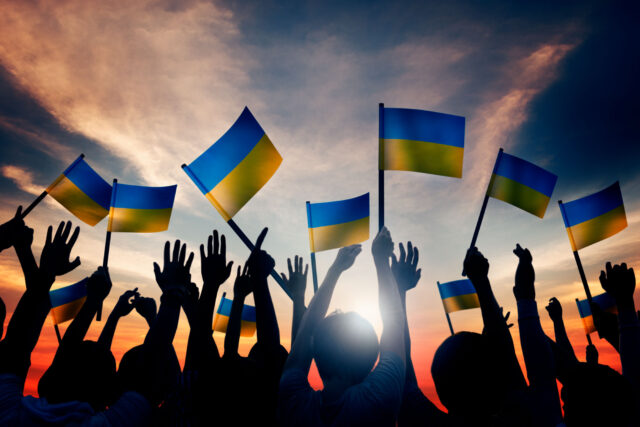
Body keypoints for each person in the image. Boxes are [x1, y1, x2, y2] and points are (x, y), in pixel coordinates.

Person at [278, 227, 406, 426]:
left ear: (315, 351)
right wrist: (381, 260)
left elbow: (306, 331)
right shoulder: (381, 399)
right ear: (373, 356)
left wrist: (335, 269)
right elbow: (395, 321)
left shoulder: (293, 401)